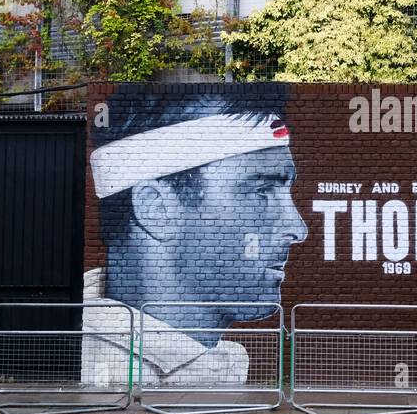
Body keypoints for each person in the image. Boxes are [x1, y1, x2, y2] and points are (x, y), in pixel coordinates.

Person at [82, 88, 307, 387]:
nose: (297, 228)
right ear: (156, 208)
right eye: (261, 191)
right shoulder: (98, 365)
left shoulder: (217, 361)